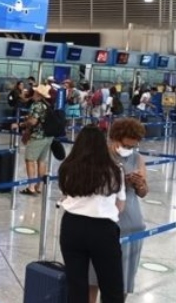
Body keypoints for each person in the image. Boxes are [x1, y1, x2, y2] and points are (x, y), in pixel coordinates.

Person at [59, 125, 126, 303]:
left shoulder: (68, 167)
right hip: (103, 229)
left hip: (72, 226)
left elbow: (66, 193)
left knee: (76, 286)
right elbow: (120, 205)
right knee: (111, 286)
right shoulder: (114, 170)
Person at [88, 118, 146, 302]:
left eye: (133, 146)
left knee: (123, 277)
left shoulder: (137, 158)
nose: (128, 149)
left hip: (131, 223)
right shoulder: (100, 155)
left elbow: (143, 192)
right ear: (114, 138)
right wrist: (119, 180)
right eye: (125, 145)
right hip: (103, 221)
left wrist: (139, 183)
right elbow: (90, 185)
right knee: (92, 276)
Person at [17, 85, 53, 195]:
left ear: (38, 94)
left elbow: (33, 121)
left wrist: (22, 124)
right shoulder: (47, 105)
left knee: (30, 160)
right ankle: (38, 186)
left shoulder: (36, 105)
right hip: (47, 136)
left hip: (37, 136)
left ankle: (31, 187)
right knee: (41, 161)